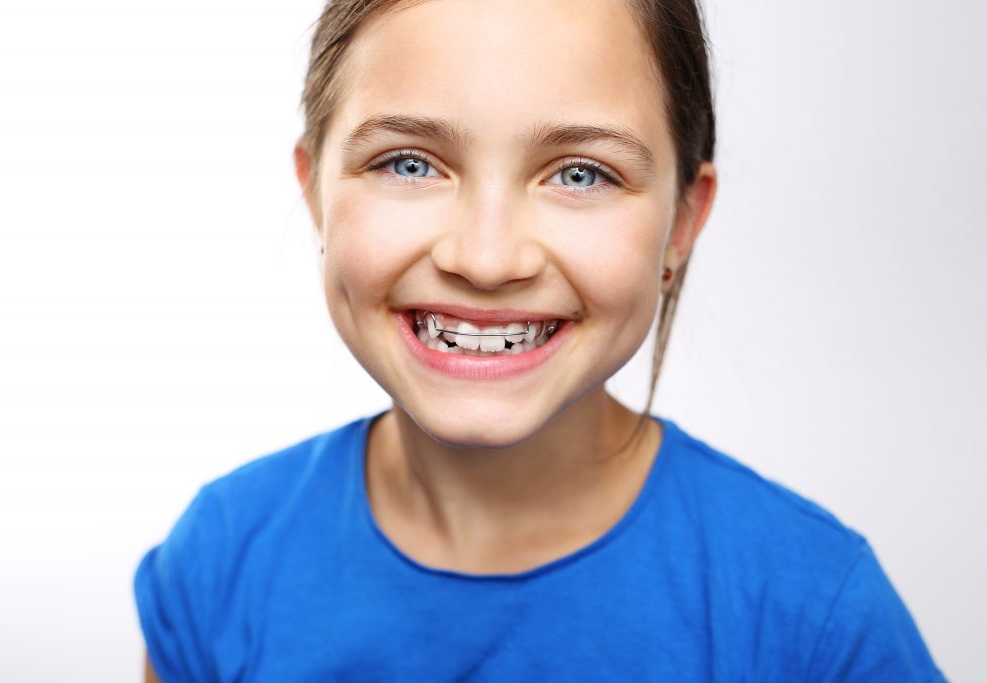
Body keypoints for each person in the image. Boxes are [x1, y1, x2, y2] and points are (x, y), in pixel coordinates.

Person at [134, 0, 946, 680]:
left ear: (681, 224)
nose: (486, 259)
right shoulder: (218, 567)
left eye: (581, 173)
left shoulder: (814, 620)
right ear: (315, 192)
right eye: (409, 163)